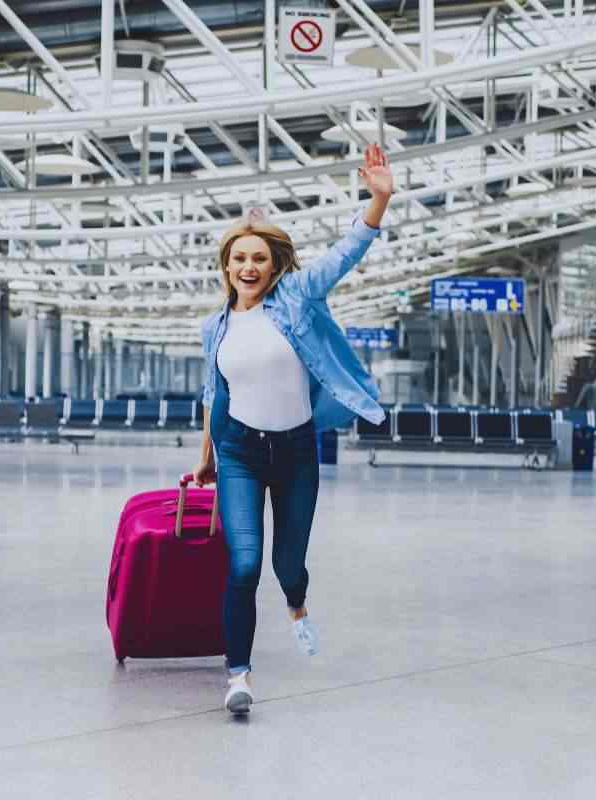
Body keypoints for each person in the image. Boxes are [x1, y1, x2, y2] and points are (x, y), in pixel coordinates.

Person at [192, 144, 394, 715]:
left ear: (275, 265)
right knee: (244, 564)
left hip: (297, 452)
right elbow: (213, 393)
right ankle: (238, 676)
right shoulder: (214, 327)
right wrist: (206, 455)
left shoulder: (298, 298)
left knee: (288, 566)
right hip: (238, 452)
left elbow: (345, 253)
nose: (248, 267)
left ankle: (297, 605)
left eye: (259, 258)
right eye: (239, 258)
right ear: (226, 267)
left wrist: (378, 200)